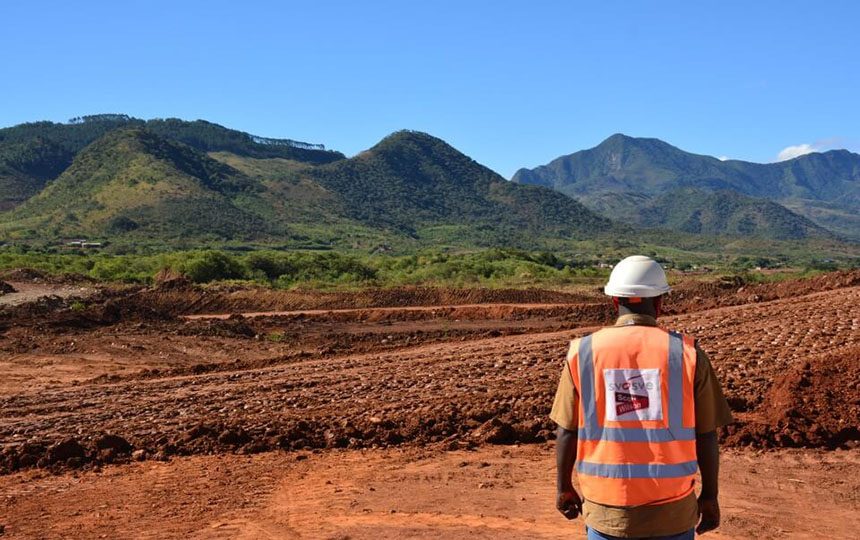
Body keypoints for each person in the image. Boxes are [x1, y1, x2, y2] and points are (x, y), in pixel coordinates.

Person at [551, 255, 733, 539]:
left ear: (614, 301)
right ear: (659, 303)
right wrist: (710, 495)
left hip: (606, 511)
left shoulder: (582, 353)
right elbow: (707, 434)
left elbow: (566, 432)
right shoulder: (687, 354)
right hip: (672, 510)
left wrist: (563, 486)